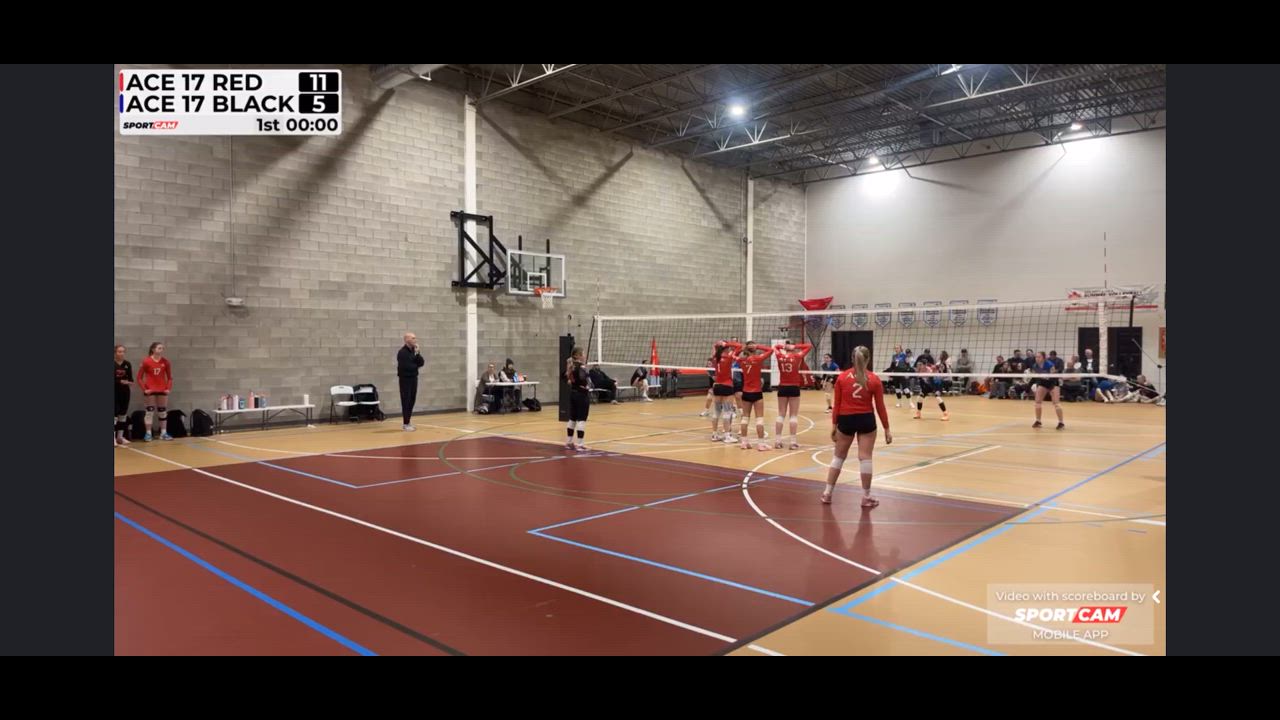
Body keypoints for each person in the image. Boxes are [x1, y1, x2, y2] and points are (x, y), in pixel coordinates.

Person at [823, 346, 892, 507]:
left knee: (838, 457)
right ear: (868, 359)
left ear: (852, 359)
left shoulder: (842, 377)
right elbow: (880, 407)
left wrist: (834, 425)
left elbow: (837, 405)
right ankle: (866, 496)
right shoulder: (874, 379)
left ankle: (827, 493)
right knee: (865, 457)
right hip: (866, 419)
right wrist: (887, 429)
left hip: (846, 419)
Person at [731, 341, 775, 450]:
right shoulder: (758, 358)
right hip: (756, 392)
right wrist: (758, 346)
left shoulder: (742, 360)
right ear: (754, 349)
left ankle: (744, 443)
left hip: (746, 392)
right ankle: (761, 444)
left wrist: (741, 349)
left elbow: (733, 355)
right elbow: (771, 350)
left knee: (745, 418)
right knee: (759, 419)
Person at [772, 341, 811, 449]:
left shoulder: (779, 356)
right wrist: (795, 346)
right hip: (794, 387)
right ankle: (793, 442)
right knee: (793, 415)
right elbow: (808, 346)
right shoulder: (797, 356)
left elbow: (775, 347)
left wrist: (784, 346)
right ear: (792, 349)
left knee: (781, 414)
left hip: (782, 387)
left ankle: (777, 441)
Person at [137, 342, 173, 441]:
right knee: (149, 411)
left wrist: (168, 389)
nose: (161, 350)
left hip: (162, 390)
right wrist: (145, 389)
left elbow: (170, 378)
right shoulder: (146, 361)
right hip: (150, 390)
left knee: (162, 411)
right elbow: (139, 378)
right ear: (153, 349)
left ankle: (163, 433)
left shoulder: (165, 362)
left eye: (162, 348)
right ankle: (148, 433)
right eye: (159, 348)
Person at [709, 340, 742, 443]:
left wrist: (717, 344)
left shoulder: (715, 357)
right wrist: (727, 344)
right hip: (727, 386)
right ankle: (727, 436)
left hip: (717, 386)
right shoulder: (729, 356)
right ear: (726, 348)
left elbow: (714, 346)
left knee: (716, 412)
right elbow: (739, 346)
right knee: (727, 412)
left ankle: (714, 435)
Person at [564, 347, 591, 450]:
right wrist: (588, 385)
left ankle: (569, 442)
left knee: (572, 418)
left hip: (573, 394)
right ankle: (580, 444)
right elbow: (587, 382)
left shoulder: (571, 366)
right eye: (582, 354)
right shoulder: (581, 367)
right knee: (581, 419)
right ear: (577, 356)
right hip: (581, 395)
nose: (584, 356)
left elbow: (568, 379)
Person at [397, 332, 424, 430]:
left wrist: (417, 353)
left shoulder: (414, 351)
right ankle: (405, 424)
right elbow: (407, 366)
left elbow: (421, 362)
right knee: (406, 400)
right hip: (405, 379)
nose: (415, 340)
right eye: (413, 338)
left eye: (415, 338)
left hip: (413, 378)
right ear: (407, 340)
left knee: (412, 400)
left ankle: (408, 422)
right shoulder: (402, 352)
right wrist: (415, 365)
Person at [1031, 351, 1064, 430]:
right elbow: (1037, 375)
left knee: (1056, 403)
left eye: (1039, 357)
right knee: (1037, 402)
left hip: (1053, 383)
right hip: (1043, 383)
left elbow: (1053, 375)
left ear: (1044, 358)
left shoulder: (1049, 364)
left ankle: (1061, 422)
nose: (1037, 358)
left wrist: (1046, 376)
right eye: (1036, 357)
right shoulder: (1035, 365)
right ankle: (1038, 421)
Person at [114, 344, 135, 447]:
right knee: (114, 414)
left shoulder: (127, 364)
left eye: (123, 351)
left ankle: (120, 437)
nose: (122, 353)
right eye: (119, 351)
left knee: (123, 414)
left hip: (125, 392)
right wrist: (119, 381)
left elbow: (130, 379)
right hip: (114, 391)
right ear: (115, 353)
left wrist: (129, 382)